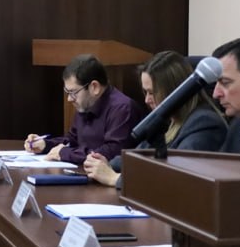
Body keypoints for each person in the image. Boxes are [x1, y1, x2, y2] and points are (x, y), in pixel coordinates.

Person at [83, 51, 227, 186]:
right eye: (145, 92)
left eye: (151, 92)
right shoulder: (168, 120)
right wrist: (106, 164)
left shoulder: (205, 123)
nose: (147, 100)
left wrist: (115, 179)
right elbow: (138, 156)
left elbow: (177, 177)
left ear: (173, 91)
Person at [24, 53, 138, 165]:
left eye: (73, 92)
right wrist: (46, 144)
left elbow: (110, 153)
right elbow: (72, 139)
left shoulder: (123, 108)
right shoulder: (86, 104)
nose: (69, 99)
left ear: (94, 87)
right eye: (67, 92)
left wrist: (65, 153)